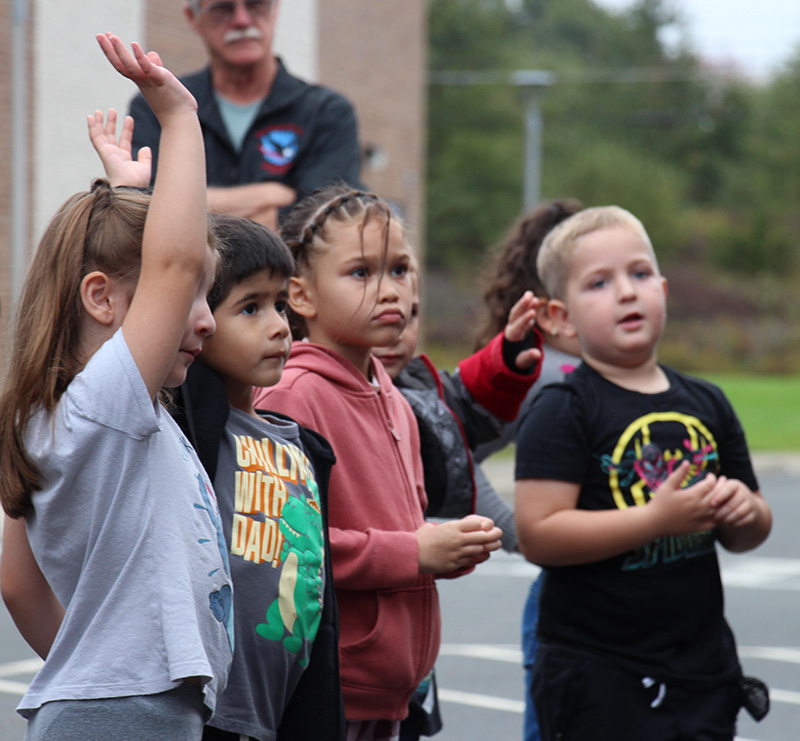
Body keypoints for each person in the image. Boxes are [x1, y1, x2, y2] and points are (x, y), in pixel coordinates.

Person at [0, 34, 233, 738]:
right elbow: (171, 256)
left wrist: (91, 661)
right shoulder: (106, 409)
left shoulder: (78, 417)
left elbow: (17, 581)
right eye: (193, 295)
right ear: (101, 299)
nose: (207, 320)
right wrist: (181, 115)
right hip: (126, 710)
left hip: (112, 701)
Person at [254, 184, 504, 739]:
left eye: (399, 269)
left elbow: (400, 530)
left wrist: (445, 548)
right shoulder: (292, 395)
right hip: (328, 689)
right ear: (301, 295)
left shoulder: (392, 395)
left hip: (391, 696)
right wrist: (414, 553)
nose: (390, 290)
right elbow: (285, 553)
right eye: (361, 273)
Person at [514, 205, 773, 741]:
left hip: (700, 670)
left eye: (639, 274)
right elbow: (539, 534)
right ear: (560, 318)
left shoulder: (708, 402)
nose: (627, 292)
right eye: (600, 283)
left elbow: (750, 529)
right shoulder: (565, 409)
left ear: (664, 290)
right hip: (599, 675)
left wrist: (745, 512)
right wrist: (655, 519)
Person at [373, 274, 542, 741]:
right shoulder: (310, 393)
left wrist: (505, 357)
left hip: (407, 656)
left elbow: (465, 394)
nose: (399, 328)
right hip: (355, 658)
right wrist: (413, 551)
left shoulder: (416, 382)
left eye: (411, 316)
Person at [472, 198, 583, 741]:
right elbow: (454, 457)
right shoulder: (552, 374)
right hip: (572, 608)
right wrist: (523, 534)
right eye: (597, 278)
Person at [128, 0, 362, 230]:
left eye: (256, 4)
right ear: (193, 18)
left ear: (275, 9)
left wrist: (190, 210)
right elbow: (144, 210)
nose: (242, 20)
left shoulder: (327, 113)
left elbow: (324, 220)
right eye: (222, 8)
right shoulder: (159, 107)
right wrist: (270, 196)